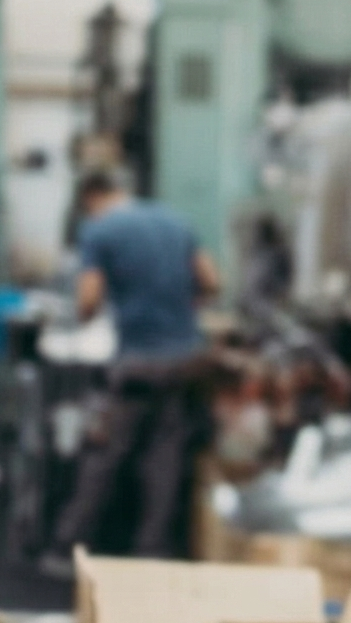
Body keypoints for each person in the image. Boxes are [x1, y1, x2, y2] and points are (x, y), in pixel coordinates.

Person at [44, 168, 222, 561]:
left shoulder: (99, 231)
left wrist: (86, 312)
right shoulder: (174, 221)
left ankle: (68, 543)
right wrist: (176, 309)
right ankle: (152, 549)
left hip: (138, 363)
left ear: (91, 198)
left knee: (105, 453)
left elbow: (88, 302)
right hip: (186, 359)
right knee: (165, 456)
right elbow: (211, 282)